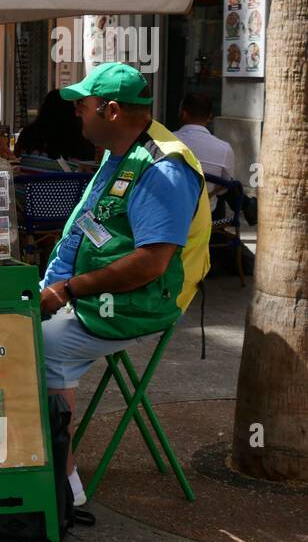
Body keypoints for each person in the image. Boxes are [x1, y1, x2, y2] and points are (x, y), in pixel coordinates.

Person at [38, 63, 211, 506]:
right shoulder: (120, 149)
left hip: (139, 301)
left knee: (36, 346)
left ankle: (63, 484)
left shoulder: (162, 168)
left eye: (84, 105)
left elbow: (151, 264)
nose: (77, 112)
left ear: (110, 110)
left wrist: (68, 290)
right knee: (7, 330)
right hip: (86, 292)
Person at [175, 93, 237, 212]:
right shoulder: (224, 149)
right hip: (208, 215)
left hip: (170, 212)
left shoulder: (164, 141)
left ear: (183, 114)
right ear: (209, 117)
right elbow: (225, 187)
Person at [15, 90, 96, 163]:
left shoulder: (28, 134)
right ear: (70, 111)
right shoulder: (80, 136)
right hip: (69, 178)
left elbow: (16, 156)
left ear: (44, 108)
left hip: (30, 179)